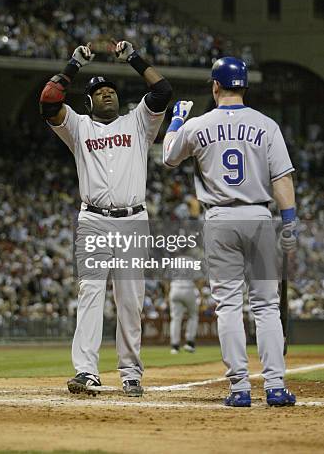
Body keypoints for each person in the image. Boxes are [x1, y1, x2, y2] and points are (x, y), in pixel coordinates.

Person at [162, 56, 297, 407]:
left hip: (220, 218)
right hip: (260, 216)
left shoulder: (198, 124)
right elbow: (282, 177)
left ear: (215, 86)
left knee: (228, 307)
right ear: (245, 87)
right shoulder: (266, 125)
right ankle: (276, 387)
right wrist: (291, 221)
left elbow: (169, 157)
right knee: (267, 306)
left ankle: (239, 388)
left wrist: (176, 119)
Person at [40, 40, 172, 397]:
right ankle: (86, 371)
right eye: (99, 92)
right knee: (90, 294)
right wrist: (72, 66)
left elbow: (162, 90)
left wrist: (133, 58)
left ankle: (130, 372)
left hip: (133, 221)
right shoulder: (78, 127)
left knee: (130, 300)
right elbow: (49, 102)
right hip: (94, 221)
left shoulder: (139, 123)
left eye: (111, 90)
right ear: (89, 102)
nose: (107, 94)